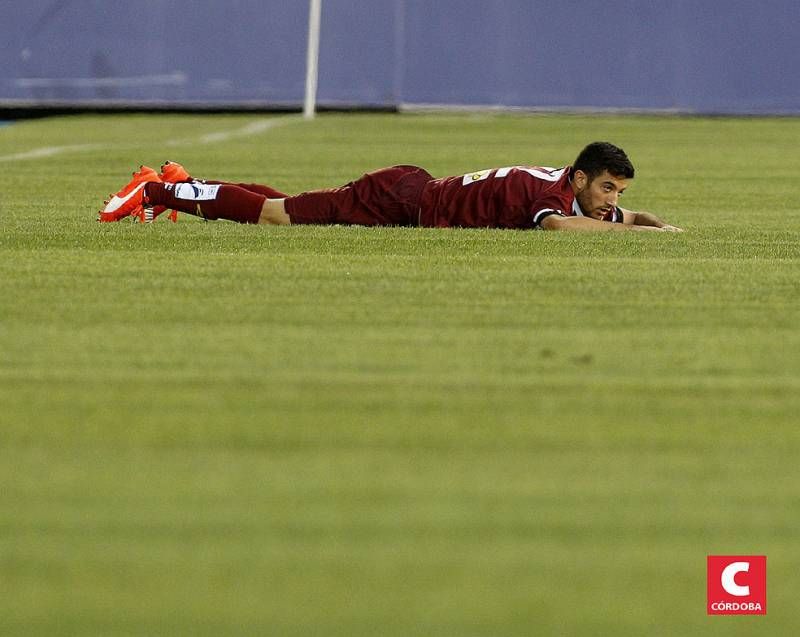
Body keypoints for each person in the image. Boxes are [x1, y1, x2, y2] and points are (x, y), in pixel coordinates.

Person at [98, 141, 683, 232]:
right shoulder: (553, 200)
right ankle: (157, 191)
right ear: (580, 178)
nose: (611, 201)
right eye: (607, 189)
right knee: (279, 216)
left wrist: (649, 221)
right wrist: (644, 237)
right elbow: (561, 228)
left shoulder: (565, 186)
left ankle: (186, 183)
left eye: (618, 193)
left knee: (286, 204)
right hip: (403, 199)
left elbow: (608, 220)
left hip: (410, 194)